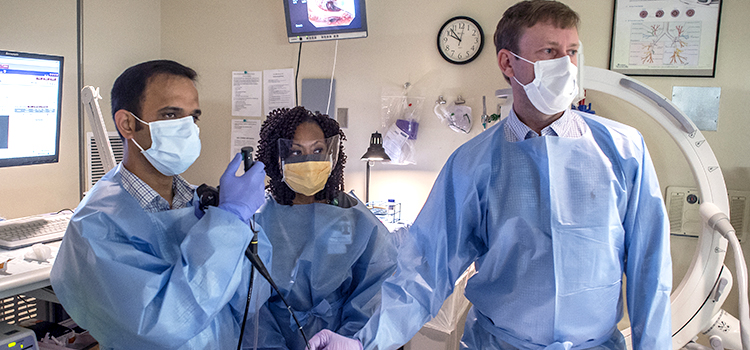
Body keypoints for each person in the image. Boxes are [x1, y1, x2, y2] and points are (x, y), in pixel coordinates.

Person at [308, 1, 672, 349]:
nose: (566, 65)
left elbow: (649, 270)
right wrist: (363, 341)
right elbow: (424, 272)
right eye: (549, 52)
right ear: (508, 63)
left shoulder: (623, 150)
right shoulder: (474, 164)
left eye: (572, 51)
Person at [50, 60, 269, 349]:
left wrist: (240, 223)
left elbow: (253, 294)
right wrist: (229, 223)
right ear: (128, 123)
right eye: (170, 115)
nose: (187, 129)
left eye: (193, 117)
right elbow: (164, 323)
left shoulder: (200, 204)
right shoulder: (96, 224)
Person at [244, 106, 397, 350]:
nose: (308, 161)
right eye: (295, 152)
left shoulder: (355, 219)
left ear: (331, 155)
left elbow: (374, 293)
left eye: (317, 150)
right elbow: (250, 306)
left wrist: (347, 341)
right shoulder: (258, 219)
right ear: (277, 159)